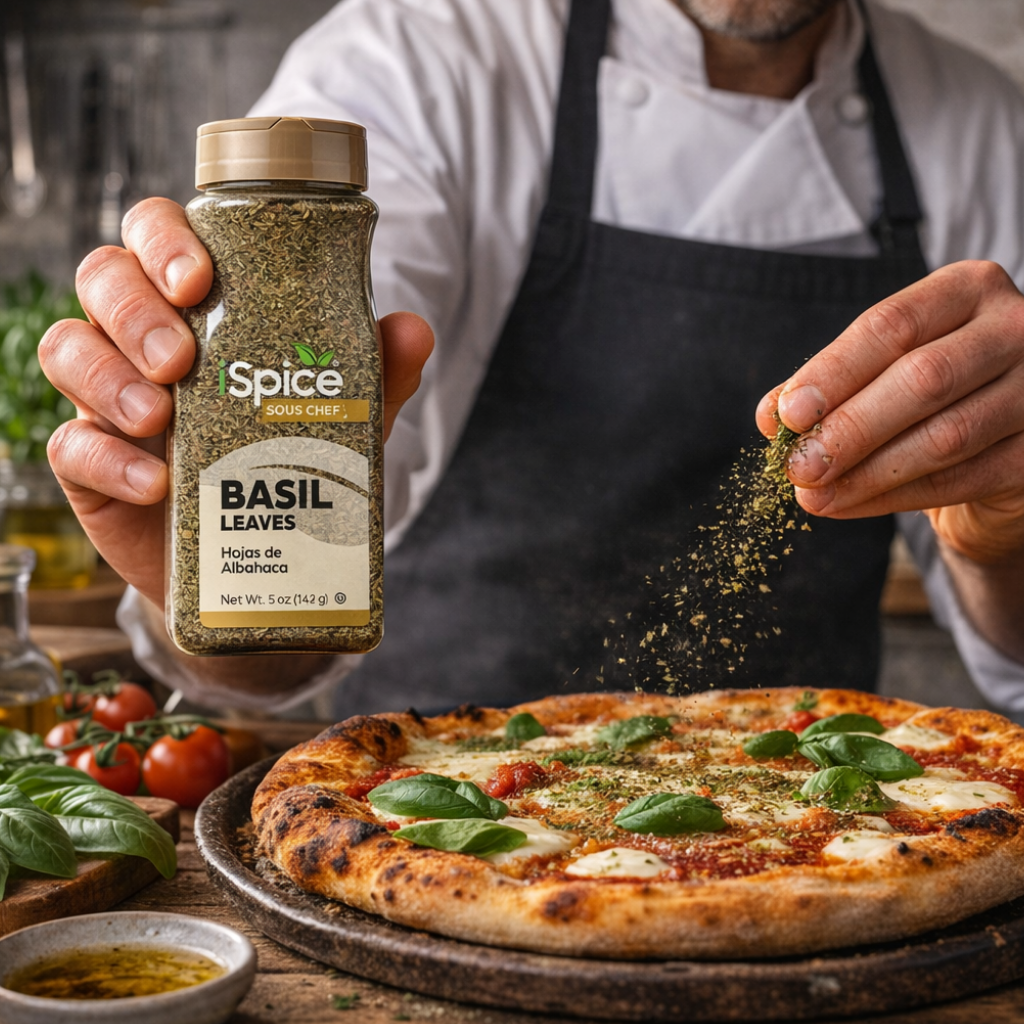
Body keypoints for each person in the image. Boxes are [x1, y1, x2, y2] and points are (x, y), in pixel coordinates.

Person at [40, 0, 1024, 719]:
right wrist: (202, 571)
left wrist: (1004, 535)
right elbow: (286, 611)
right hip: (440, 806)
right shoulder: (416, 66)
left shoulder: (986, 126)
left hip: (829, 812)